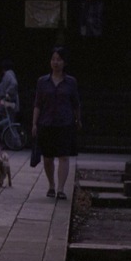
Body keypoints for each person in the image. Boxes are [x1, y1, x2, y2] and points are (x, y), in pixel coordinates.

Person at [31, 46, 81, 200]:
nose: (56, 62)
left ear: (64, 62)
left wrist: (78, 120)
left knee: (64, 156)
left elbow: (76, 104)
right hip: (46, 122)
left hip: (65, 123)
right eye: (53, 59)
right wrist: (34, 124)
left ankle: (61, 188)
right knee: (48, 157)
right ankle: (51, 185)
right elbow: (37, 104)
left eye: (59, 59)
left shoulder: (71, 82)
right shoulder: (42, 81)